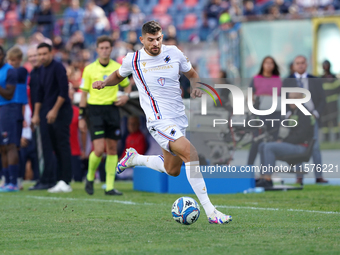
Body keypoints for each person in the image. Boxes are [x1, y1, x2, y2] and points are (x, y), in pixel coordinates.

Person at [92, 21, 232, 224]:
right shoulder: (134, 59)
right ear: (142, 40)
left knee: (172, 170)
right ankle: (212, 213)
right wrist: (104, 83)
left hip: (178, 118)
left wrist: (196, 86)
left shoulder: (174, 52)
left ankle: (135, 158)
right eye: (150, 40)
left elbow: (192, 74)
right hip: (158, 120)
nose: (155, 43)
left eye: (158, 39)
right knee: (191, 153)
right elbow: (117, 75)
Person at [79, 35, 131, 196]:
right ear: (97, 50)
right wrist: (82, 116)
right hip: (95, 111)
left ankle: (109, 186)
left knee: (113, 149)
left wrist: (125, 96)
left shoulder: (118, 67)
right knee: (99, 149)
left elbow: (127, 86)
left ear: (111, 49)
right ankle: (89, 176)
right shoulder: (89, 69)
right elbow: (83, 94)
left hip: (112, 110)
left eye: (107, 48)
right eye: (101, 48)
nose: (104, 50)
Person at [31, 42, 73, 193]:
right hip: (47, 113)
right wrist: (36, 114)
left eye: (44, 54)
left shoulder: (58, 67)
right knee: (53, 146)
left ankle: (65, 181)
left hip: (61, 112)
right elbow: (40, 94)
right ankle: (57, 180)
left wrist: (54, 110)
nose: (42, 57)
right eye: (39, 54)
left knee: (62, 145)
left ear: (51, 53)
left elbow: (63, 91)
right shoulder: (41, 70)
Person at [282, 55, 327, 184]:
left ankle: (319, 176)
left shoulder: (314, 80)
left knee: (315, 147)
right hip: (296, 118)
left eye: (302, 63)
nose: (300, 65)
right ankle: (299, 177)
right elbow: (283, 99)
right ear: (294, 66)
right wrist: (288, 114)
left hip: (312, 117)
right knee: (298, 146)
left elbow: (322, 99)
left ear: (306, 64)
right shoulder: (288, 81)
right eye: (298, 63)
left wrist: (316, 113)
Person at [257, 92, 315, 187]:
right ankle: (262, 177)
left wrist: (283, 142)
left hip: (300, 147)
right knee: (262, 146)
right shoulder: (292, 112)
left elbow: (300, 135)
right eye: (290, 98)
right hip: (292, 144)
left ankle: (267, 179)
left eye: (295, 98)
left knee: (269, 147)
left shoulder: (305, 113)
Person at [27, 46, 55, 191]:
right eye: (30, 56)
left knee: (44, 148)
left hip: (43, 114)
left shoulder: (40, 72)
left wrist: (37, 114)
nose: (33, 59)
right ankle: (43, 179)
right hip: (37, 114)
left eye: (35, 56)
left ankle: (46, 180)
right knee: (41, 148)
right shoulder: (34, 72)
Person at [248, 56, 282, 165]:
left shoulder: (278, 79)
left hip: (275, 113)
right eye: (266, 63)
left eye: (271, 63)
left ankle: (268, 170)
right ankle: (249, 168)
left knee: (272, 142)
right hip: (260, 113)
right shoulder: (256, 78)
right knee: (257, 141)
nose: (269, 65)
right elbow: (250, 95)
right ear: (262, 65)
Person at [0, 46, 21, 192]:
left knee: (10, 145)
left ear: (3, 55)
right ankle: (6, 181)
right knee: (2, 148)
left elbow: (9, 94)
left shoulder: (10, 71)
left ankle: (14, 181)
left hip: (8, 109)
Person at [320, 60, 340, 142]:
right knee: (324, 121)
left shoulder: (334, 77)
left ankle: (337, 137)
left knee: (334, 120)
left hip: (332, 103)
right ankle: (326, 137)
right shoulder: (321, 78)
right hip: (324, 103)